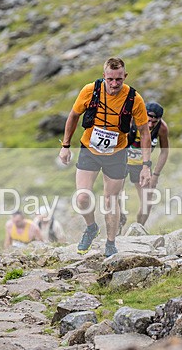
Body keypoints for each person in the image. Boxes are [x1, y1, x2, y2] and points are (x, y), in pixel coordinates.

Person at [58, 57, 151, 257]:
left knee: (111, 200)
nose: (114, 84)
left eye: (119, 79)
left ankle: (110, 243)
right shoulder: (90, 91)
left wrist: (146, 165)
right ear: (104, 76)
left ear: (125, 76)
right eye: (110, 79)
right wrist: (65, 146)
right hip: (89, 149)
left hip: (116, 154)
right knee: (82, 198)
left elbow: (144, 132)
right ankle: (91, 227)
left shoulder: (134, 99)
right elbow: (73, 116)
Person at [120, 101, 170, 230]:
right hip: (122, 161)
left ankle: (138, 229)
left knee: (147, 201)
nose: (150, 125)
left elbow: (164, 151)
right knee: (114, 194)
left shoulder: (162, 128)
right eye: (148, 120)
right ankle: (119, 219)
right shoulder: (130, 120)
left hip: (142, 165)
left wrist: (156, 175)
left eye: (154, 122)